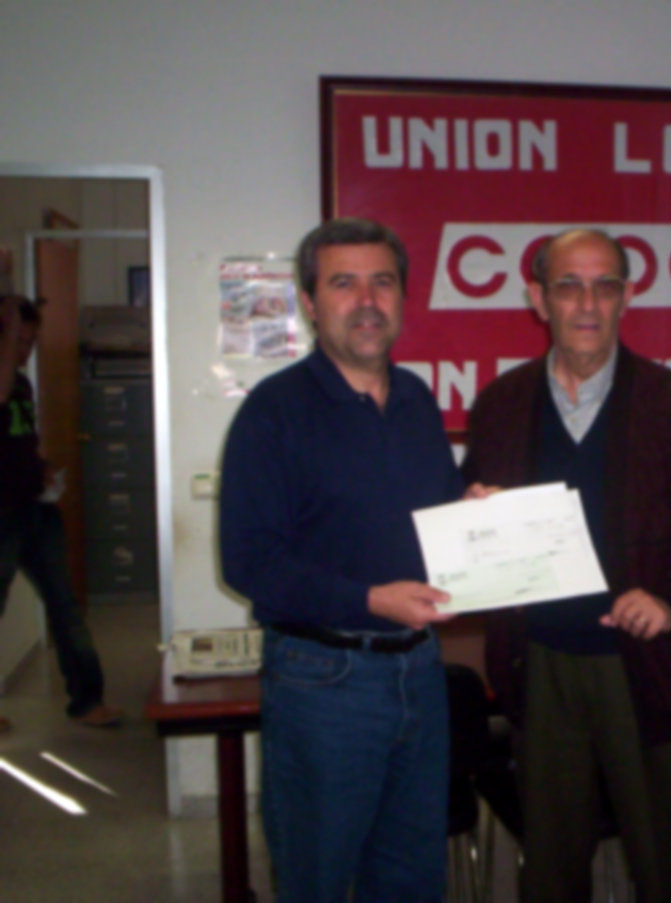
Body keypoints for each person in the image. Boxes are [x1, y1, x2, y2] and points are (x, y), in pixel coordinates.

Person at [462, 228, 671, 903]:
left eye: (604, 285)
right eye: (568, 285)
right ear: (537, 298)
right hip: (538, 668)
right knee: (551, 870)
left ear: (627, 297)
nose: (586, 303)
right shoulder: (500, 406)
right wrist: (473, 517)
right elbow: (476, 540)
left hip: (654, 671)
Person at [220, 218, 478, 902]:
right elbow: (248, 561)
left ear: (401, 297)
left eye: (382, 281)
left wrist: (473, 512)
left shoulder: (418, 398)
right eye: (344, 282)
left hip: (420, 670)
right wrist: (369, 599)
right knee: (319, 877)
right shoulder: (273, 413)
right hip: (323, 681)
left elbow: (427, 518)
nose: (367, 299)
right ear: (309, 301)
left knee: (413, 873)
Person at [0, 294, 123, 732]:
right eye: (19, 340)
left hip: (35, 510)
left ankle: (88, 701)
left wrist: (43, 468)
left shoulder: (22, 384)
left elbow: (19, 442)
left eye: (31, 340)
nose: (25, 350)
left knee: (66, 609)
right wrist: (8, 317)